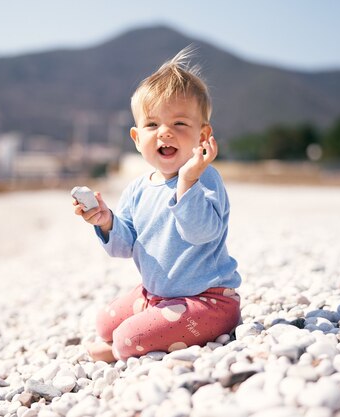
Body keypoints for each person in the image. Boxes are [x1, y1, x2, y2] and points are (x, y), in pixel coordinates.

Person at [72, 47, 241, 362]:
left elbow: (201, 233)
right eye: (152, 125)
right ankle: (146, 324)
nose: (165, 132)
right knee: (105, 322)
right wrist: (107, 222)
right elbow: (125, 246)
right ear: (137, 138)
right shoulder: (138, 188)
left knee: (124, 340)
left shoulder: (205, 179)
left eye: (179, 123)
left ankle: (122, 348)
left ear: (203, 135)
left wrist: (187, 182)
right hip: (158, 296)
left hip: (209, 301)